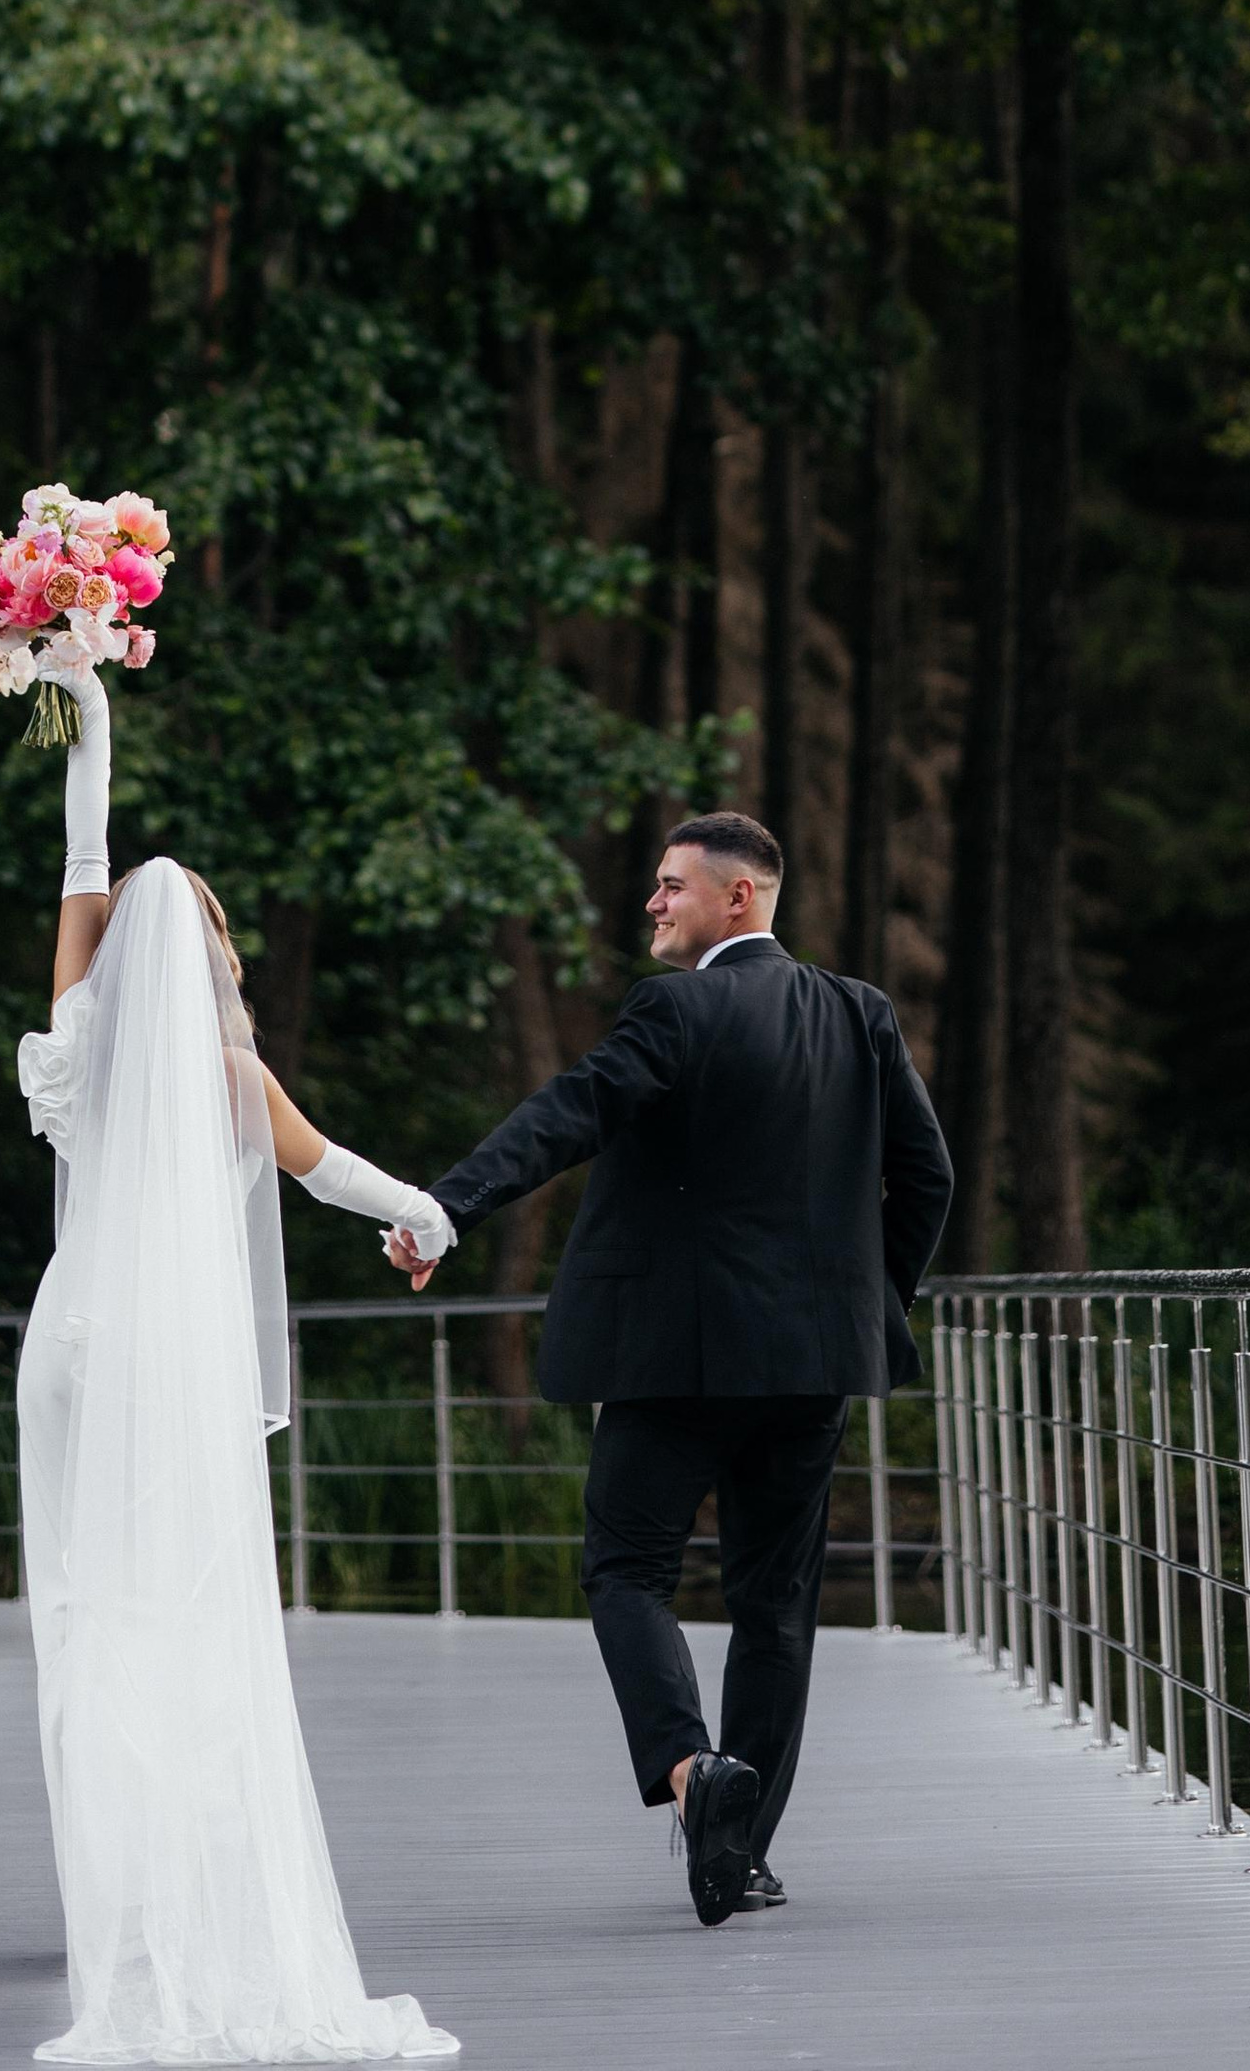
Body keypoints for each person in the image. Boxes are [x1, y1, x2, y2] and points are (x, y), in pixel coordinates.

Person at [388, 811, 952, 1929]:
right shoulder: (860, 1014)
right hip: (810, 1370)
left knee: (625, 1571)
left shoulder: (678, 1006)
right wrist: (858, 1305)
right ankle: (740, 1857)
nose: (651, 903)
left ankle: (695, 1774)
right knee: (775, 1608)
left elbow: (569, 1115)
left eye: (670, 886)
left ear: (738, 898)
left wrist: (444, 1208)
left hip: (673, 1363)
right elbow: (924, 1181)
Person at [14, 655, 458, 2066]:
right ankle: (185, 1886)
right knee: (189, 1619)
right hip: (169, 1369)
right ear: (207, 957)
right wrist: (430, 1218)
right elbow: (333, 1178)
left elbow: (87, 846)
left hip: (68, 1352)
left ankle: (114, 1886)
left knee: (86, 1614)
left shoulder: (76, 1042)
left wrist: (86, 697)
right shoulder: (224, 1074)